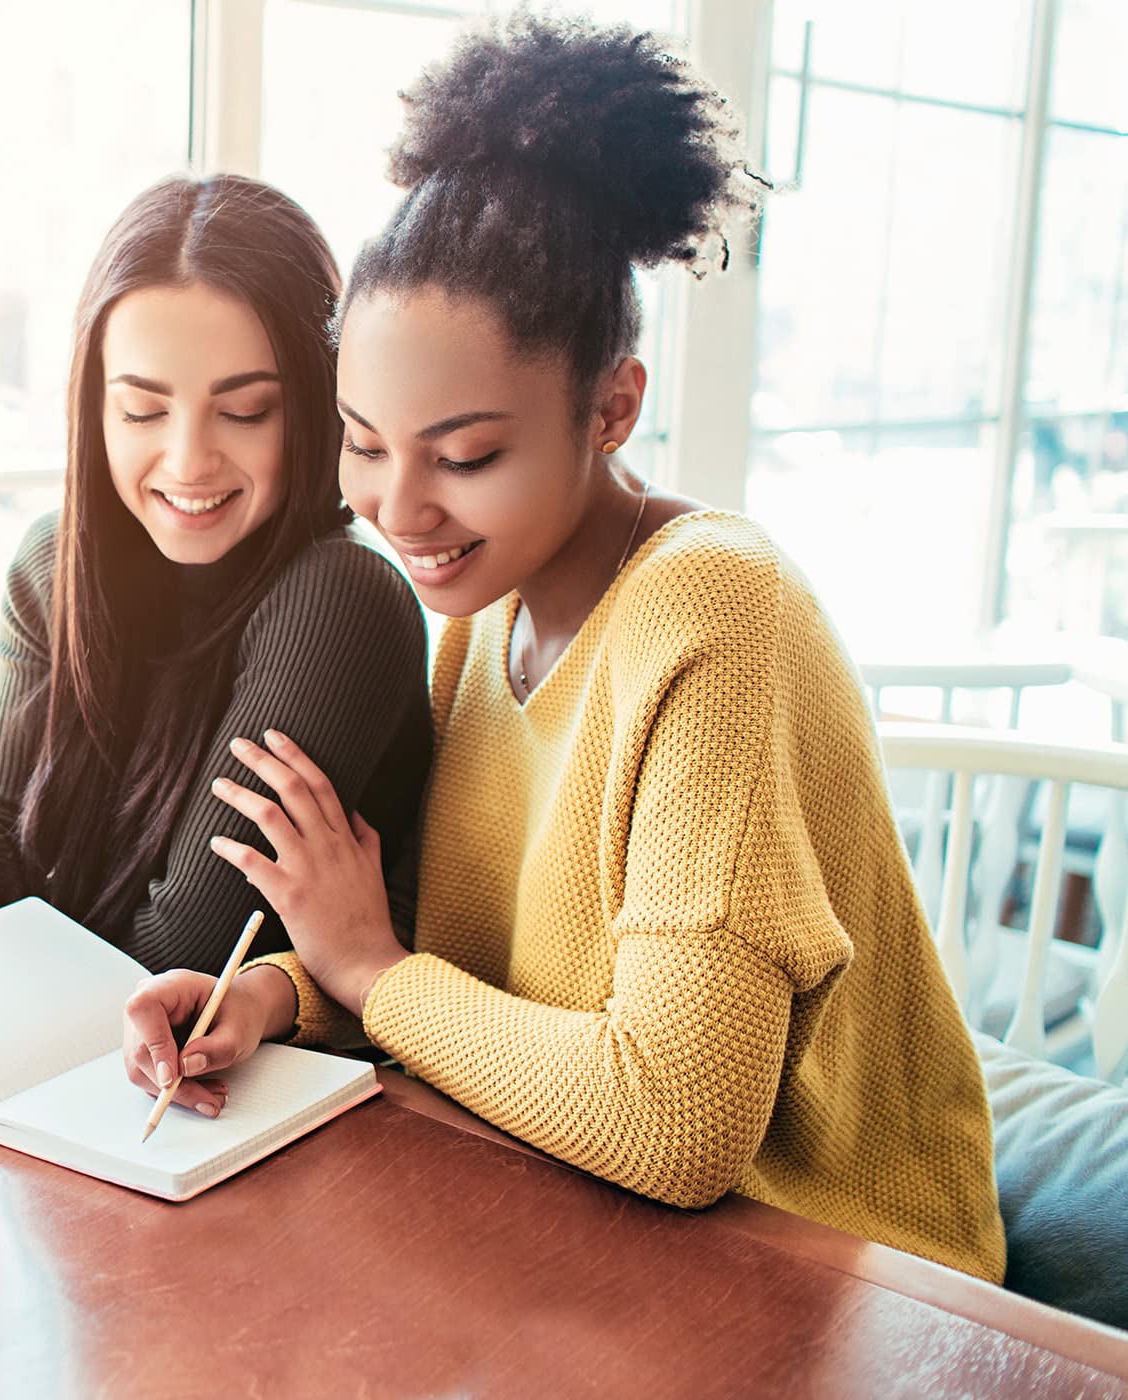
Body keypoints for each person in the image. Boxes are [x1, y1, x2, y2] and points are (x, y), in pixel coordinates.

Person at [120, 15, 1006, 1279]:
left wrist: (368, 968)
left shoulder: (714, 614)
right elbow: (449, 968)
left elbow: (676, 1121)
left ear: (612, 408)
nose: (399, 509)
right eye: (364, 441)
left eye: (466, 454)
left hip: (842, 1271)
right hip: (569, 1220)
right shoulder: (482, 617)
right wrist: (270, 998)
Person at [0, 174, 431, 990]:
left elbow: (170, 959)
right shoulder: (56, 563)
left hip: (273, 1089)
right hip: (112, 1061)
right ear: (94, 407)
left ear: (311, 405)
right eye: (142, 409)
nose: (190, 461)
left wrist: (8, 898)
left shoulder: (340, 601)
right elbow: (1, 855)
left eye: (245, 410)